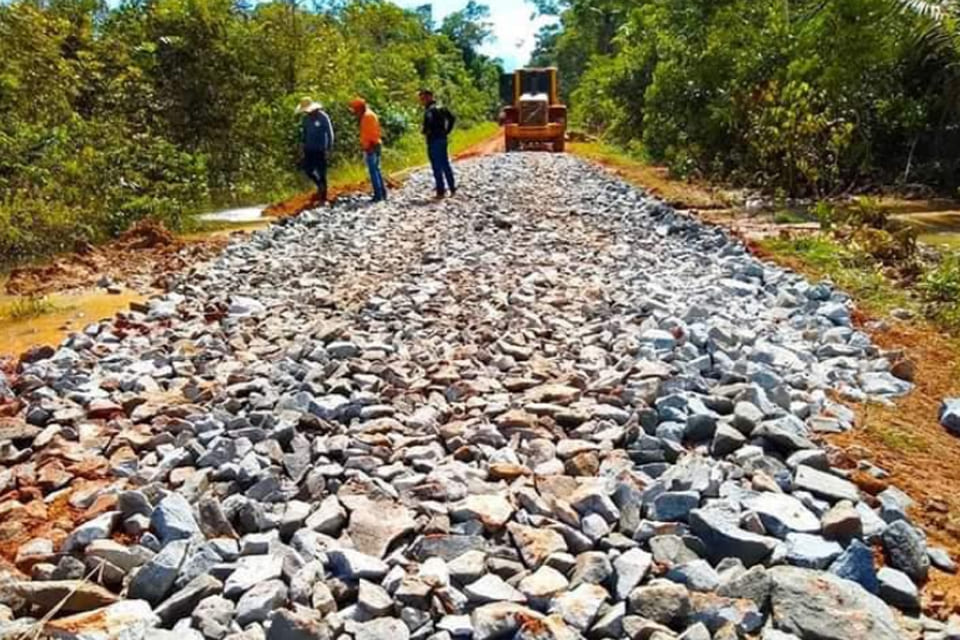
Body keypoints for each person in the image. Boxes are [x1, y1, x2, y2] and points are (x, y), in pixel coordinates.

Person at [419, 89, 456, 198]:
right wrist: (447, 131)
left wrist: (425, 131)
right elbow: (452, 118)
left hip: (433, 139)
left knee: (436, 165)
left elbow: (428, 123)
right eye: (421, 99)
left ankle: (441, 191)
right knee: (445, 163)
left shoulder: (429, 110)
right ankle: (452, 188)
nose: (422, 101)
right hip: (442, 138)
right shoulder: (442, 107)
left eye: (424, 98)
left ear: (430, 97)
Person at [297, 97, 334, 204]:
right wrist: (301, 147)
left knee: (322, 172)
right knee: (308, 169)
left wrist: (329, 148)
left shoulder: (323, 117)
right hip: (309, 149)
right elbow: (304, 134)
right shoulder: (306, 119)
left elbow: (330, 133)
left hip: (321, 148)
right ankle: (319, 185)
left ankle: (323, 196)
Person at [349, 98, 387, 202]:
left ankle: (378, 196)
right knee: (377, 170)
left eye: (355, 110)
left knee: (373, 171)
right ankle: (382, 193)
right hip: (375, 145)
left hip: (372, 146)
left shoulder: (367, 117)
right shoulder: (370, 115)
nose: (355, 113)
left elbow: (370, 134)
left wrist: (369, 147)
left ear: (360, 108)